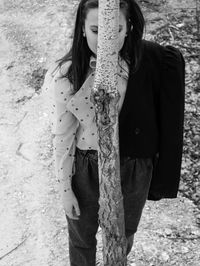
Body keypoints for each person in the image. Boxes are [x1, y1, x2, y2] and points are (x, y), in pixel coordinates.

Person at [42, 0, 185, 265]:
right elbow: (62, 137)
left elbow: (165, 118)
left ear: (128, 28)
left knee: (122, 237)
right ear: (82, 29)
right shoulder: (66, 76)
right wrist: (65, 189)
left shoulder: (145, 63)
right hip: (87, 168)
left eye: (116, 30)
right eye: (96, 31)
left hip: (132, 168)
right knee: (82, 239)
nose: (106, 40)